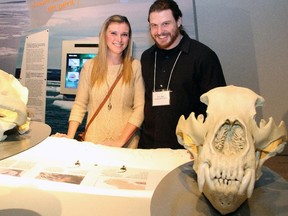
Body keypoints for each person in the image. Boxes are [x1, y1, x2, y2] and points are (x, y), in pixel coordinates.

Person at [138, 0, 226, 149]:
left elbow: (219, 108)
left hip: (188, 150)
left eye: (166, 24)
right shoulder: (146, 57)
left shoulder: (203, 56)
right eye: (154, 25)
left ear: (179, 21)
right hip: (149, 148)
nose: (159, 31)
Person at [55, 15, 145, 148]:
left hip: (126, 146)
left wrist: (119, 142)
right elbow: (80, 104)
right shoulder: (89, 67)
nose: (119, 39)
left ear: (128, 38)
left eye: (124, 34)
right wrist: (70, 136)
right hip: (93, 144)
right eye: (113, 33)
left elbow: (140, 108)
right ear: (104, 35)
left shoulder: (135, 66)